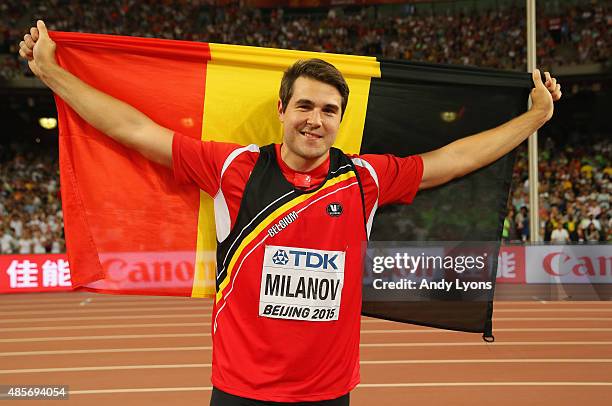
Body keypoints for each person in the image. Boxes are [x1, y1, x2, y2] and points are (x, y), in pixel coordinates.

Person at [19, 20, 562, 405]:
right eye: (304, 105)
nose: (314, 120)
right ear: (282, 110)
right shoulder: (233, 167)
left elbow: (452, 159)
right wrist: (52, 75)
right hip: (239, 392)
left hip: (328, 394)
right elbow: (134, 130)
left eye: (329, 110)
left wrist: (534, 120)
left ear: (341, 121)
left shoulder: (364, 178)